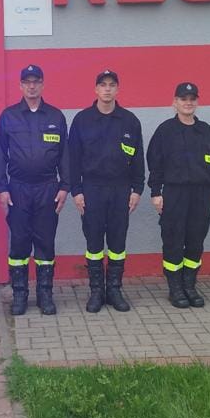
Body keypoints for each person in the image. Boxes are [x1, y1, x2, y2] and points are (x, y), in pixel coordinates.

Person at [0, 65, 69, 316]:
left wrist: (65, 186)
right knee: (19, 242)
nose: (32, 86)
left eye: (36, 81)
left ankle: (45, 295)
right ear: (20, 86)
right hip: (18, 189)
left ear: (43, 84)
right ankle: (20, 295)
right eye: (27, 82)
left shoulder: (56, 116)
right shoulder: (8, 116)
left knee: (45, 242)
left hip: (48, 188)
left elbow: (65, 155)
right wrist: (2, 188)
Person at [68, 70, 144, 313]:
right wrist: (76, 191)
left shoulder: (130, 121)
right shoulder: (82, 120)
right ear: (96, 89)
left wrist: (137, 189)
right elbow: (73, 159)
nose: (107, 89)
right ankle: (96, 291)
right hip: (92, 189)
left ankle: (114, 290)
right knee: (93, 242)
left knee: (118, 242)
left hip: (121, 189)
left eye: (112, 85)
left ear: (117, 89)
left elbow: (138, 159)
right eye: (103, 85)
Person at [147, 82, 210, 308]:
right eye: (183, 99)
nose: (188, 103)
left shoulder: (205, 130)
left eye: (192, 99)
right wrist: (156, 192)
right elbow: (155, 163)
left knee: (196, 241)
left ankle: (190, 285)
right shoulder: (165, 130)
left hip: (201, 194)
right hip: (175, 193)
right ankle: (175, 288)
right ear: (175, 103)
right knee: (173, 241)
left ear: (197, 102)